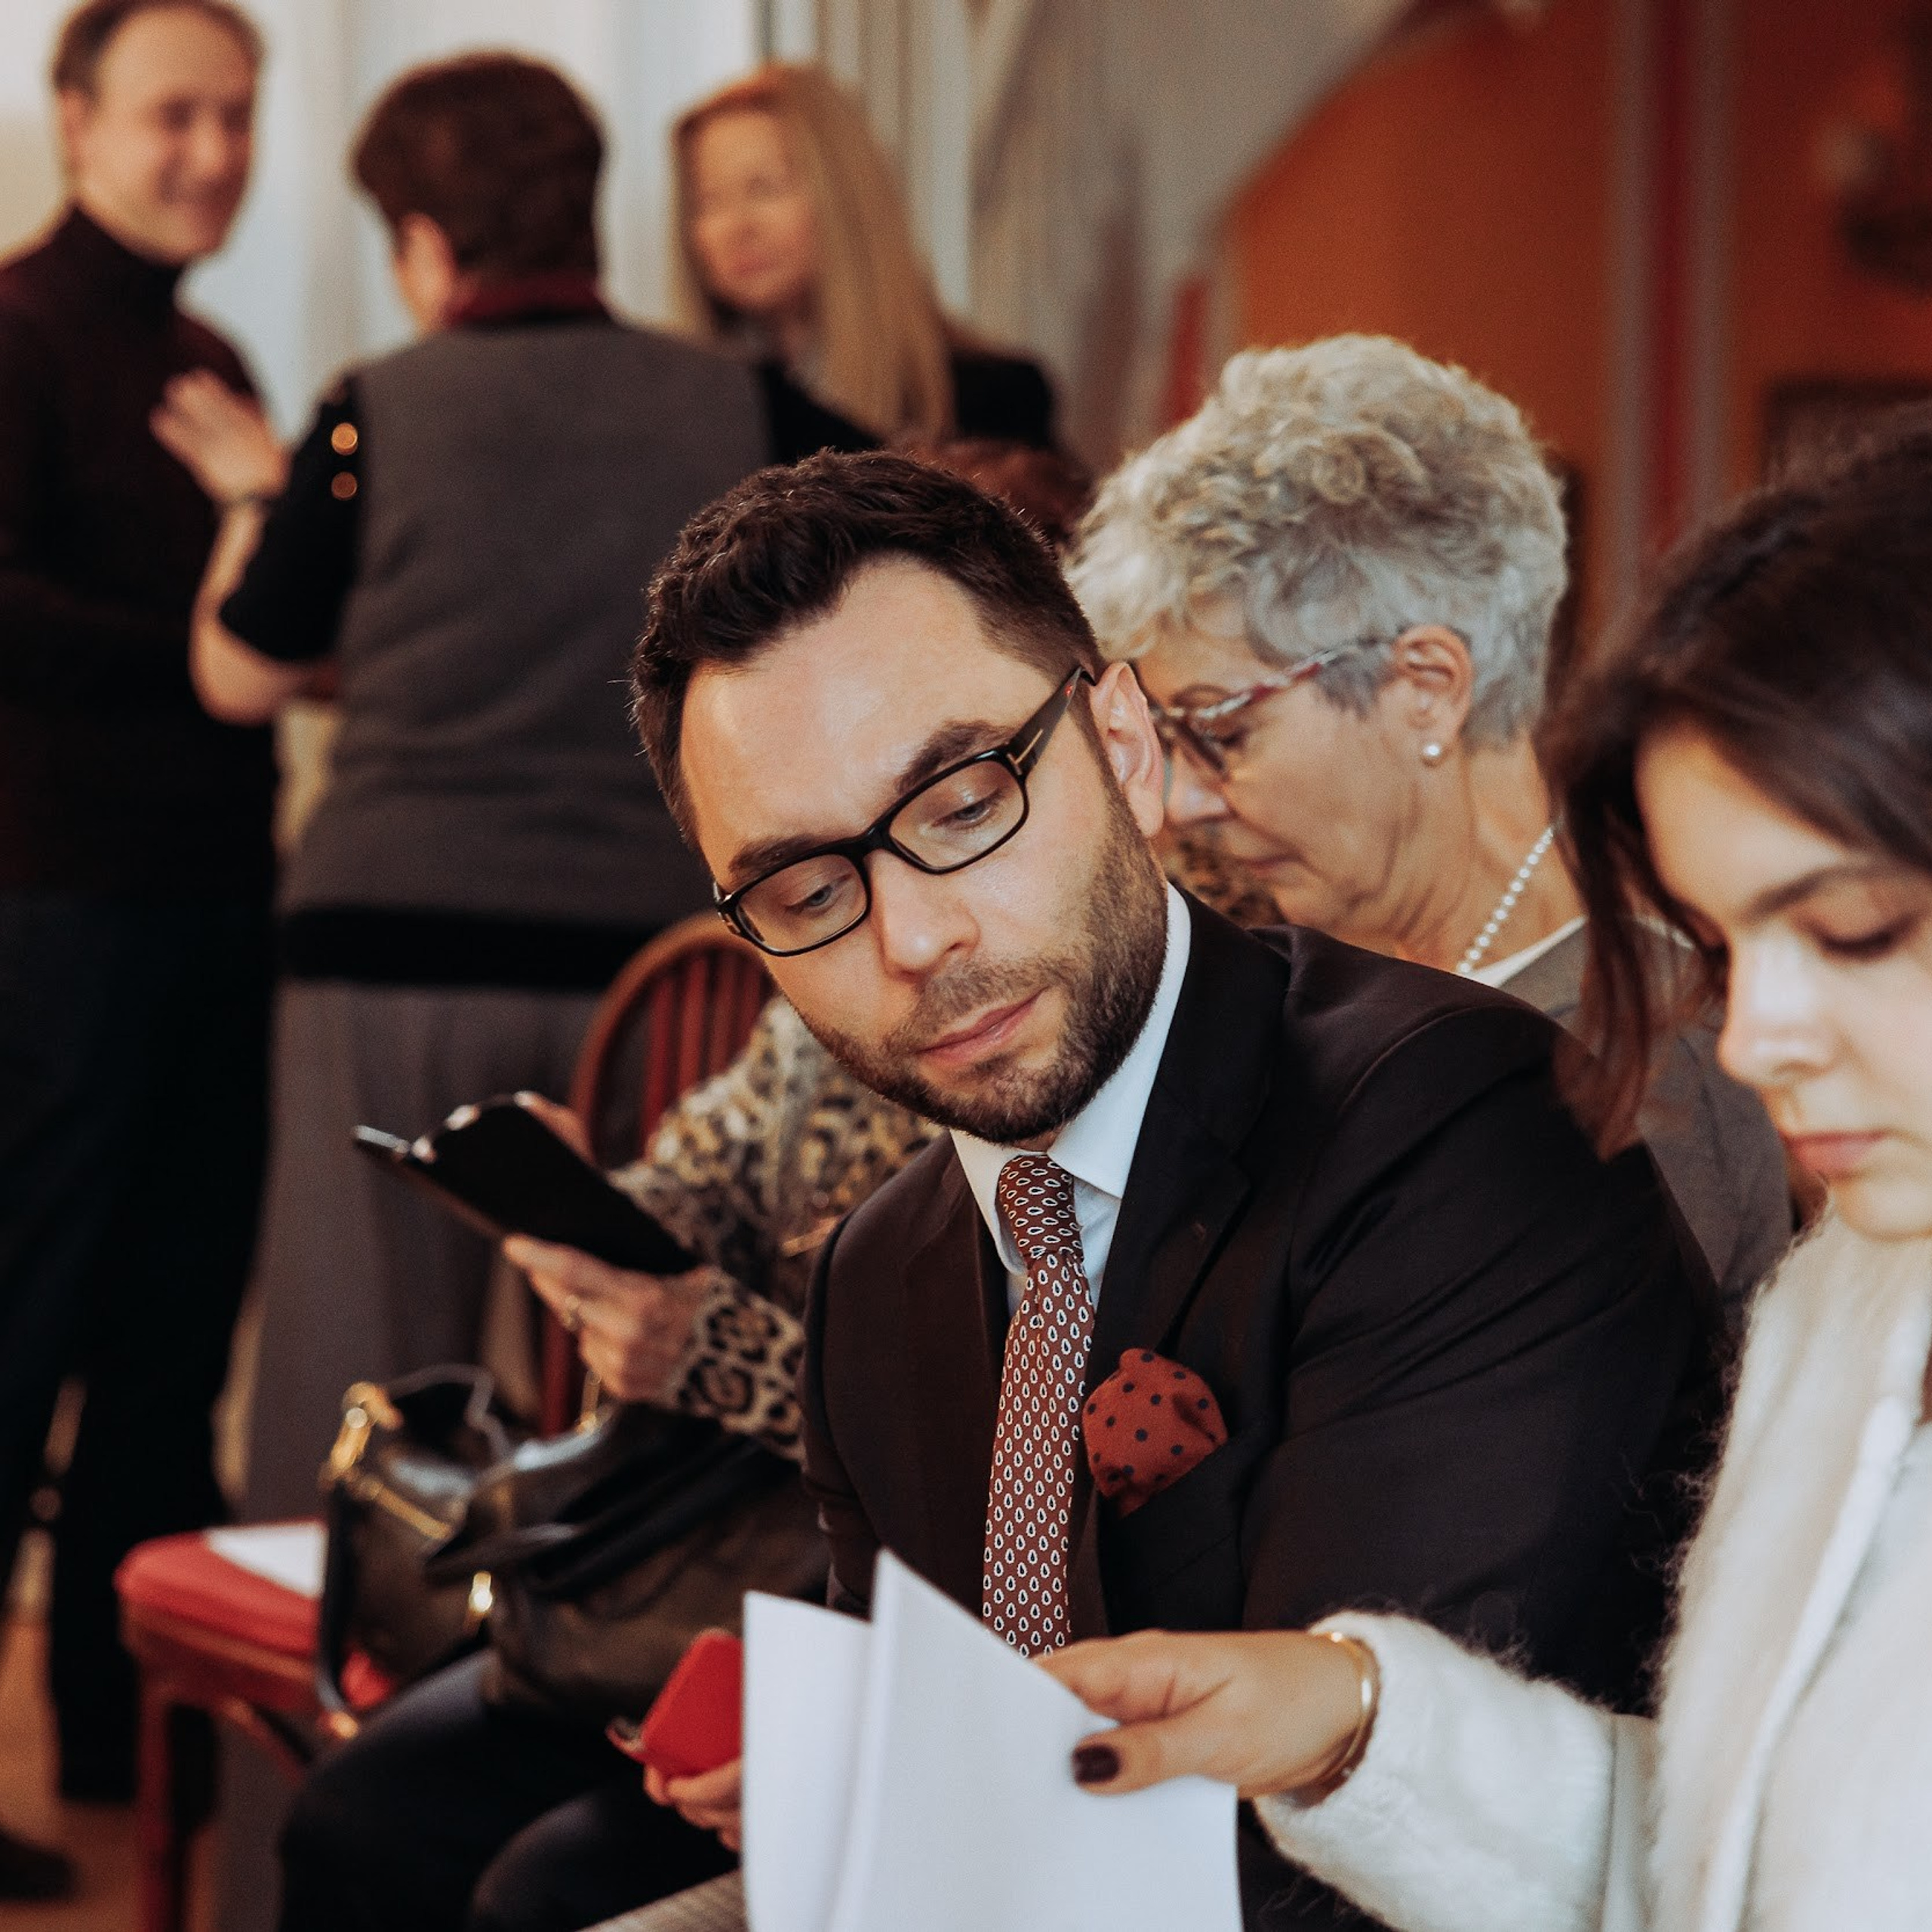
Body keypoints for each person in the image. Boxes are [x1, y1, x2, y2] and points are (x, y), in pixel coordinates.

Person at [624, 450, 1715, 1928]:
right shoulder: (875, 1278)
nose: (911, 936)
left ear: (1123, 745)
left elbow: (1351, 1851)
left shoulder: (1451, 1129)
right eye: (809, 893)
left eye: (960, 802)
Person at [1043, 414, 1932, 1932]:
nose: (1756, 1032)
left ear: (1429, 689)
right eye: (1722, 944)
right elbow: (1722, 1864)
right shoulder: (1851, 1291)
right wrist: (1349, 1718)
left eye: (1846, 927)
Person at [158, 54, 870, 1525]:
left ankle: (325, 1713)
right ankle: (601, 1696)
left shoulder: (374, 410)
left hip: (385, 955)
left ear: (422, 240)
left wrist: (251, 495)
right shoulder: (744, 403)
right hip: (655, 962)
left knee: (357, 1371)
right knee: (623, 1362)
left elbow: (236, 671)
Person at [1069, 336, 1790, 1334]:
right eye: (1163, 740)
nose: (1180, 804)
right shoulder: (1273, 951)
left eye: (1223, 734)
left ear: (1425, 689)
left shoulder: (1645, 1049)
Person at [274, 998, 935, 1932]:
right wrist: (594, 1216)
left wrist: (724, 1353)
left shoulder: (1064, 1037)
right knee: (355, 1813)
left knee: (541, 1893)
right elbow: (701, 1191)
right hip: (700, 1551)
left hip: (895, 1610)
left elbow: (977, 1442)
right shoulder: (822, 1004)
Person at [0, 0, 266, 1876]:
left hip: (215, 903)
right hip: (48, 911)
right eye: (174, 113)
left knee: (170, 1353)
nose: (210, 152)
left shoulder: (211, 351)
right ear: (74, 118)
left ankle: (124, 1764)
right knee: (16, 1342)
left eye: (238, 118)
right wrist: (200, 648)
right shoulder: (8, 332)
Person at [672, 63, 1056, 449]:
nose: (737, 225)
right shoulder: (696, 411)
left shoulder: (988, 398)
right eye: (709, 201)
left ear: (843, 198)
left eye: (765, 188)